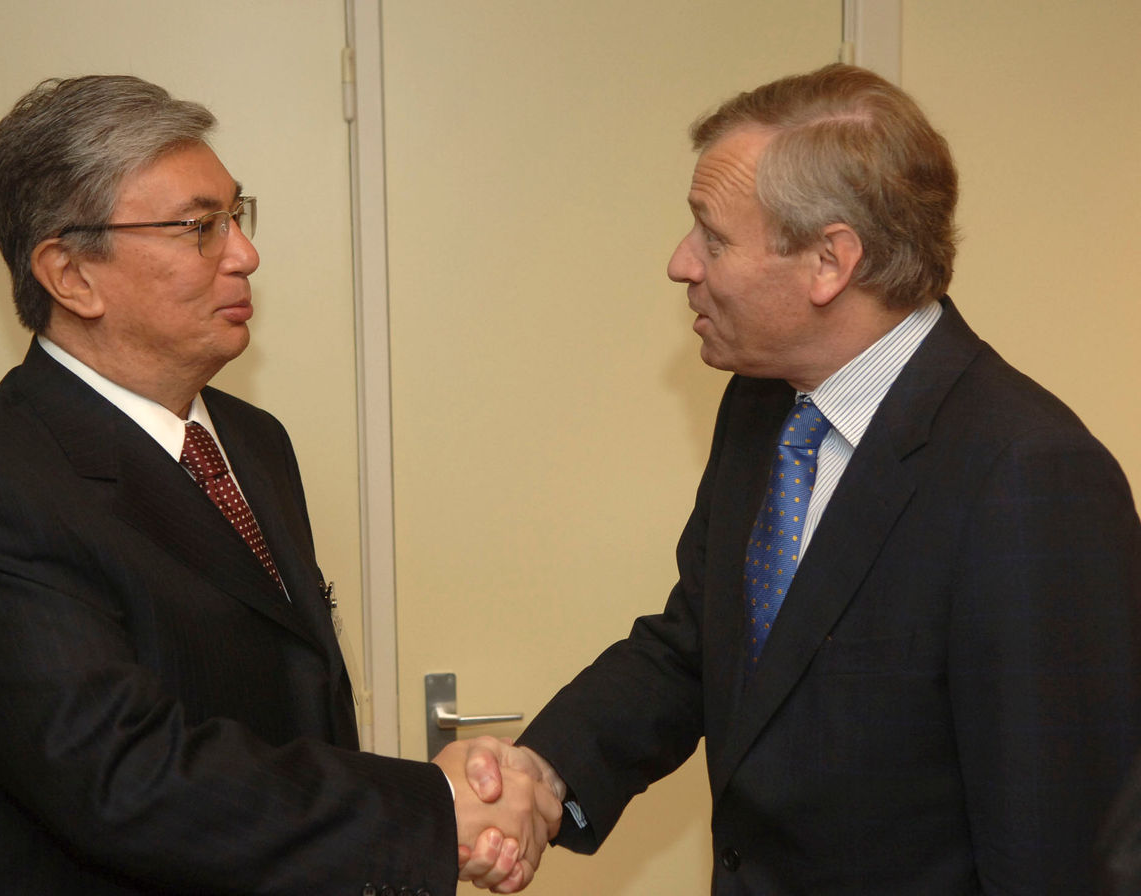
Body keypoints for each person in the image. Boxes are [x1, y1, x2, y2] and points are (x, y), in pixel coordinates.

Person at [463, 63, 1141, 894]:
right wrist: (543, 775)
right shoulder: (762, 405)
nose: (681, 264)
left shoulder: (1030, 478)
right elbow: (699, 648)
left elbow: (1058, 846)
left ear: (831, 261)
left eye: (712, 238)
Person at [0, 75, 558, 896]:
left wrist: (434, 812)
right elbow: (127, 781)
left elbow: (292, 709)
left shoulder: (251, 440)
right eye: (200, 228)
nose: (244, 253)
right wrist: (434, 806)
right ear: (71, 275)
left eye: (236, 216)